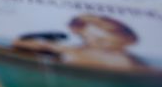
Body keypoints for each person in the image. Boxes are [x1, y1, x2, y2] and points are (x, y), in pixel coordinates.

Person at [12, 14, 147, 70]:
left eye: (101, 40)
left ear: (126, 40)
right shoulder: (74, 50)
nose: (93, 43)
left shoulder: (129, 62)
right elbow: (18, 42)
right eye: (87, 38)